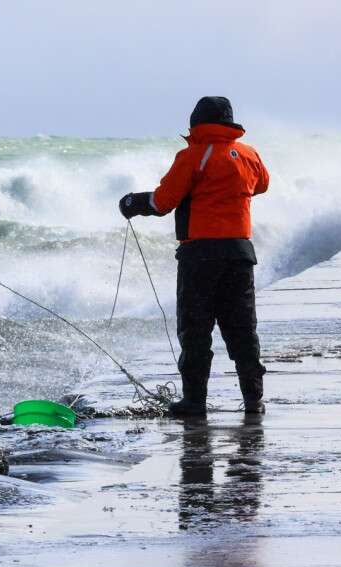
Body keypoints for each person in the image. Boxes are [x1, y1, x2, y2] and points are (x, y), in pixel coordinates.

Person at [119, 96, 269, 416]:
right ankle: (254, 400)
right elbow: (261, 186)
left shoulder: (193, 156)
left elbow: (163, 202)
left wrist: (133, 203)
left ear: (197, 123)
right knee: (242, 328)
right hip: (240, 254)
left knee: (196, 329)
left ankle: (194, 401)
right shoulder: (249, 154)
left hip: (200, 255)